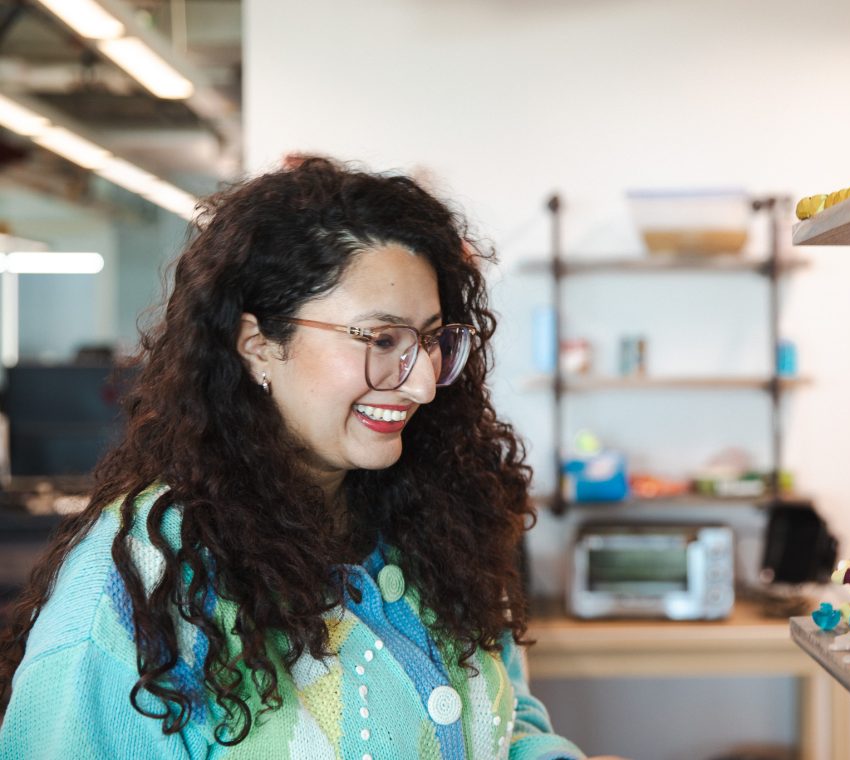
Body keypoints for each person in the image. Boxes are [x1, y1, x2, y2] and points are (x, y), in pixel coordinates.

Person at [0, 157, 588, 759]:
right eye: (382, 340)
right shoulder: (140, 583)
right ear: (259, 346)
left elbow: (503, 723)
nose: (421, 384)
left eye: (432, 339)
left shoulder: (440, 519)